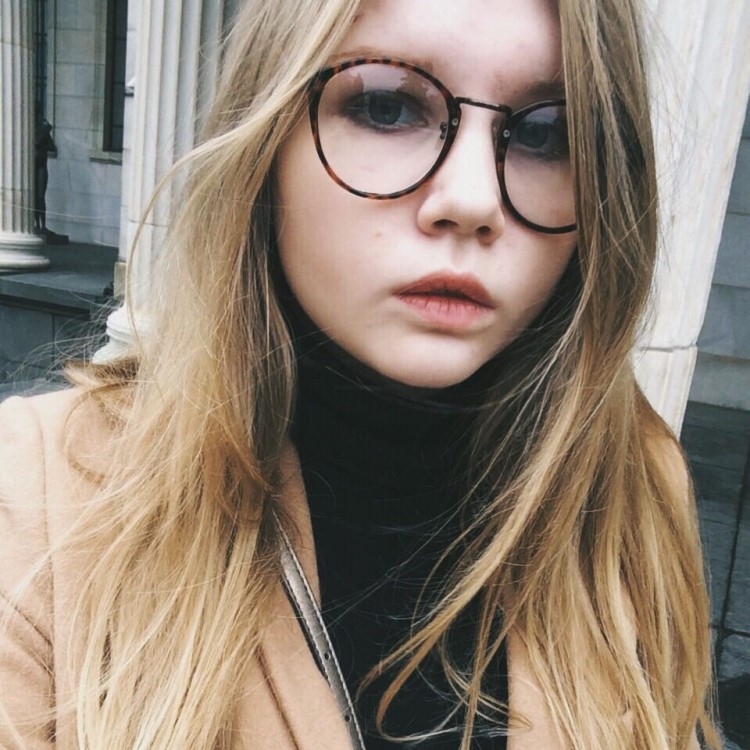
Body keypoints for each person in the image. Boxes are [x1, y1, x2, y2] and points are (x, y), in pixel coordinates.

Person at [0, 0, 720, 748]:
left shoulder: (632, 492)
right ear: (267, 142)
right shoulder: (37, 504)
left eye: (547, 133)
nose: (472, 200)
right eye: (387, 106)